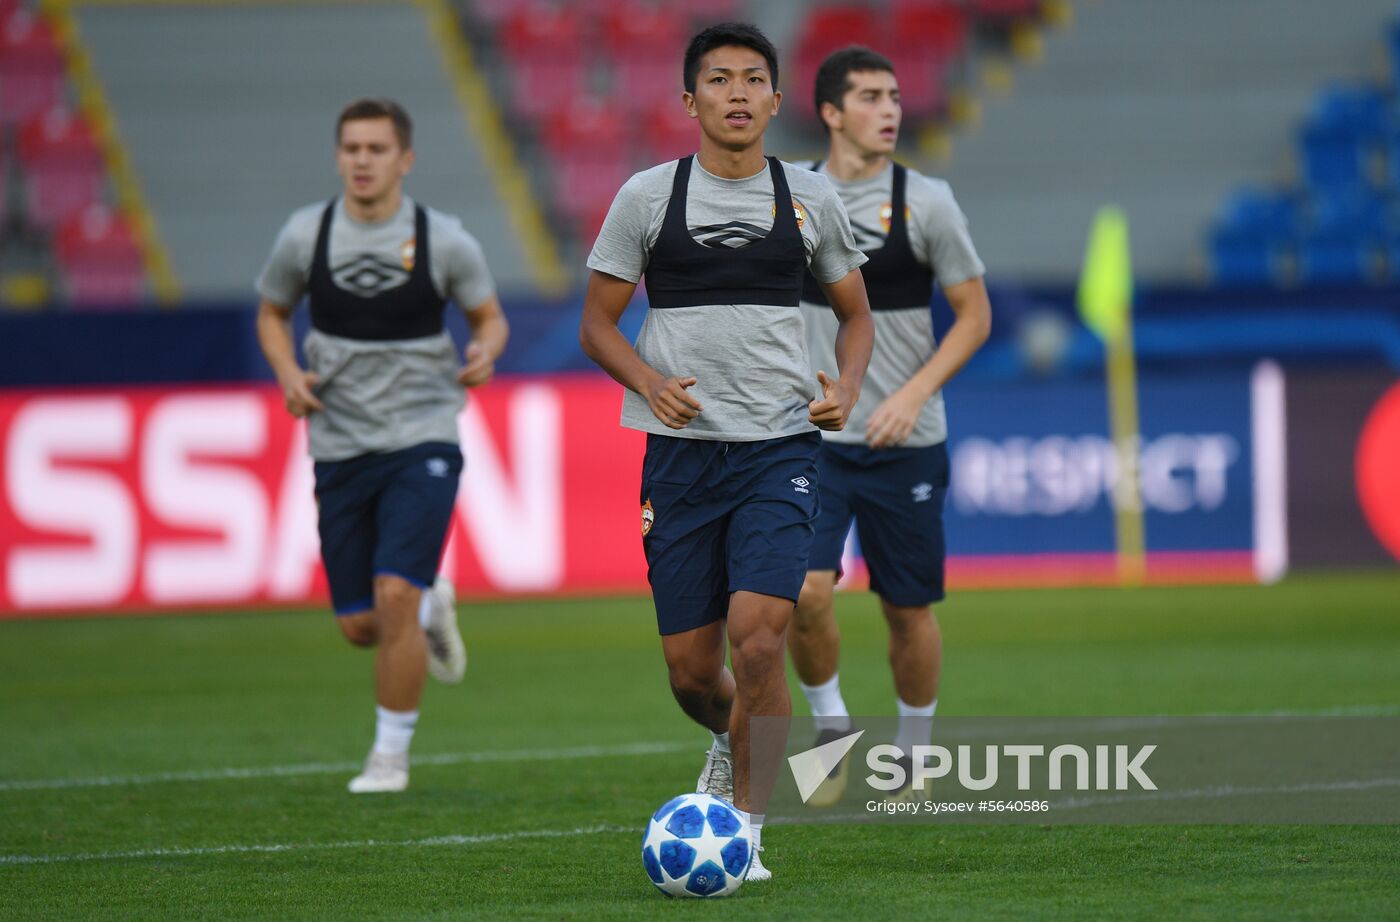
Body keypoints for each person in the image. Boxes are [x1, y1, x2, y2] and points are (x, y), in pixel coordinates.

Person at [579, 23, 873, 880]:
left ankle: (747, 834)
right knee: (692, 673)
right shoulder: (647, 197)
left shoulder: (809, 198)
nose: (738, 93)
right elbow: (597, 323)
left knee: (759, 641)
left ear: (777, 100)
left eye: (753, 79)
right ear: (690, 99)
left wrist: (847, 389)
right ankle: (723, 738)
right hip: (678, 456)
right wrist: (646, 379)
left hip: (779, 447)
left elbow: (856, 316)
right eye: (719, 80)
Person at [255, 98, 508, 794]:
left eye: (376, 148)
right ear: (339, 156)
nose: (362, 160)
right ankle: (432, 606)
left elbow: (489, 318)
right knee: (363, 623)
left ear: (405, 159)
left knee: (393, 591)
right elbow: (272, 312)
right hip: (338, 441)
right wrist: (286, 371)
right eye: (352, 149)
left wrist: (484, 352)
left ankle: (388, 757)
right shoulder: (308, 235)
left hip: (422, 433)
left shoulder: (443, 239)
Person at [790, 48, 991, 805]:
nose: (891, 108)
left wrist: (911, 393)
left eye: (896, 95)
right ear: (833, 113)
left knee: (906, 608)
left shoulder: (927, 201)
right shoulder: (794, 197)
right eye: (871, 96)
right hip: (813, 440)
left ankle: (914, 751)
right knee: (805, 593)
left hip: (906, 441)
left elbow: (974, 316)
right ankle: (831, 725)